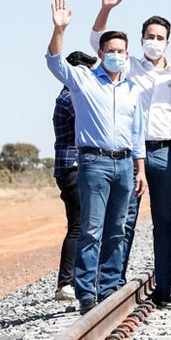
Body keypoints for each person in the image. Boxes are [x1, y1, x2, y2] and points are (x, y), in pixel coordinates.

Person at [88, 0, 171, 308]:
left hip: (164, 154)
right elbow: (97, 42)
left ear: (168, 41)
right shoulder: (129, 67)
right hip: (130, 156)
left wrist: (169, 141)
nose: (155, 43)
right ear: (142, 38)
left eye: (160, 38)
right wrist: (106, 8)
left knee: (164, 222)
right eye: (150, 37)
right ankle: (113, 285)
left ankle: (164, 286)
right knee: (122, 220)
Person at [46, 0, 147, 315]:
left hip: (124, 164)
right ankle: (85, 292)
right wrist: (58, 29)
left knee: (117, 229)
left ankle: (109, 288)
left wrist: (139, 169)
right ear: (101, 54)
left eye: (121, 51)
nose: (116, 55)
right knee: (91, 229)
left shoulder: (132, 89)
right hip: (94, 162)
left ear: (127, 55)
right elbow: (54, 61)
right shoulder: (83, 80)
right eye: (111, 51)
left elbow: (137, 134)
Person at [52, 51, 97, 301]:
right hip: (73, 166)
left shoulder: (66, 96)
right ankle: (66, 283)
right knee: (78, 225)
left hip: (70, 166)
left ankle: (74, 280)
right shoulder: (72, 98)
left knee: (79, 224)